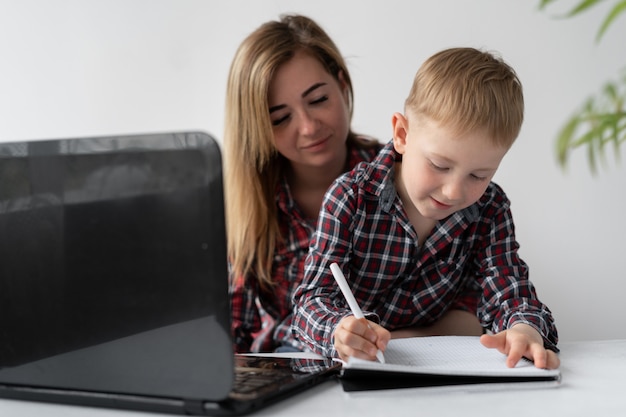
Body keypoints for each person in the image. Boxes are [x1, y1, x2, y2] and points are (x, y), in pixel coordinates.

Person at [224, 16, 481, 353]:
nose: (308, 127)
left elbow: (476, 308)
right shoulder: (248, 206)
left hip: (406, 365)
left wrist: (394, 342)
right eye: (280, 118)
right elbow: (230, 331)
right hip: (288, 366)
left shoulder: (417, 179)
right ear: (257, 126)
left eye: (318, 100)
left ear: (343, 85)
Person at [292, 47, 560, 369]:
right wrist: (339, 331)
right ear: (402, 135)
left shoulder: (490, 207)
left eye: (479, 175)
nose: (453, 191)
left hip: (433, 365)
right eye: (439, 165)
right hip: (355, 368)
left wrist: (524, 327)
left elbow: (510, 288)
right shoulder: (350, 198)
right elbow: (311, 301)